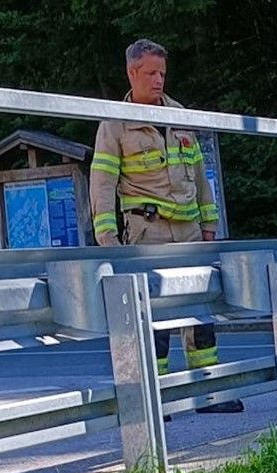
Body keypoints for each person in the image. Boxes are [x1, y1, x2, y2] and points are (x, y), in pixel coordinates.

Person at [89, 38, 241, 413]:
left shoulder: (179, 114)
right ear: (132, 72)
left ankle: (207, 392)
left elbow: (200, 177)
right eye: (151, 73)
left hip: (189, 231)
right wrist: (107, 237)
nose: (159, 80)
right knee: (155, 317)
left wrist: (210, 225)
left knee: (201, 310)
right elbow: (103, 182)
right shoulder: (114, 123)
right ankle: (157, 401)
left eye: (162, 73)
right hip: (147, 231)